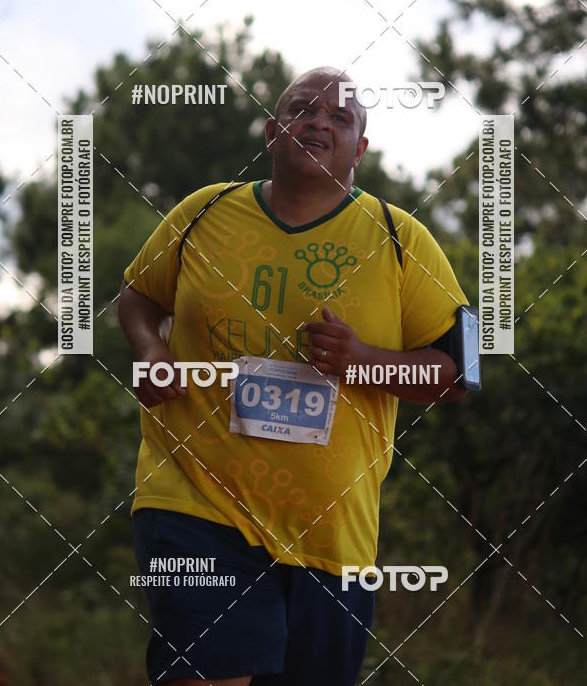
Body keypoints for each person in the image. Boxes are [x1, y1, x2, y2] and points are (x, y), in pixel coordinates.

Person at [118, 66, 469, 686]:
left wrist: (363, 360)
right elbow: (138, 296)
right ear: (272, 129)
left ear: (360, 148)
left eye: (340, 118)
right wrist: (149, 349)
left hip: (334, 537)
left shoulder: (398, 239)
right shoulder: (206, 211)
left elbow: (459, 370)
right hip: (193, 500)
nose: (318, 121)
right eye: (303, 109)